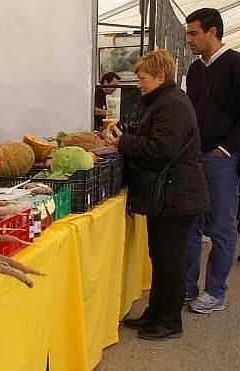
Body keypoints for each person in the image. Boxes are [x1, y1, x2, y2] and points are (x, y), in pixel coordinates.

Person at [112, 49, 208, 340]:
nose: (138, 83)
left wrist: (124, 142)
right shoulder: (164, 101)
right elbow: (155, 137)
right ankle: (155, 313)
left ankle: (170, 321)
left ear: (160, 77)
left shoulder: (172, 105)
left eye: (142, 78)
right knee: (161, 257)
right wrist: (129, 133)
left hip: (177, 194)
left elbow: (160, 150)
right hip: (171, 193)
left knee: (170, 260)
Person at [184, 8, 240, 313]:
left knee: (221, 226)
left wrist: (227, 149)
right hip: (196, 156)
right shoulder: (195, 70)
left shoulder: (235, 64)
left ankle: (216, 290)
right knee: (192, 223)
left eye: (193, 32)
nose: (188, 38)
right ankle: (187, 285)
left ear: (212, 32)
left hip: (223, 159)